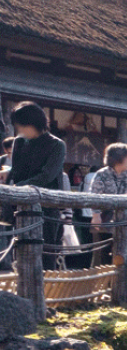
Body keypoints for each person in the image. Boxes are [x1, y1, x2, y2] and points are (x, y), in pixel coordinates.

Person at [7, 103, 65, 270]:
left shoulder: (56, 145)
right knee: (21, 251)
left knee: (46, 254)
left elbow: (47, 176)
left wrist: (17, 187)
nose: (19, 131)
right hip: (22, 205)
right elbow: (17, 171)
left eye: (22, 126)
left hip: (48, 206)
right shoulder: (19, 142)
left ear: (33, 123)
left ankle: (47, 293)